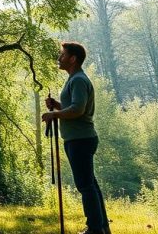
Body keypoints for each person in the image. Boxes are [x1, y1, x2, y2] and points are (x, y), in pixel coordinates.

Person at [42, 41, 110, 234]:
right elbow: (72, 107)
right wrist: (56, 105)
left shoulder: (78, 80)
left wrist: (54, 114)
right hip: (79, 138)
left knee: (85, 185)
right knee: (90, 185)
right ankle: (102, 227)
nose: (59, 58)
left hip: (80, 139)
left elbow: (78, 110)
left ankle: (95, 229)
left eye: (63, 55)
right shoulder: (75, 79)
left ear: (73, 59)